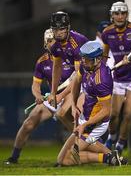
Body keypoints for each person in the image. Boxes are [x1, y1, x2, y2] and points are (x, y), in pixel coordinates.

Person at [4, 28, 80, 165]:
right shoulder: (42, 62)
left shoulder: (70, 55)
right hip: (54, 96)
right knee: (29, 123)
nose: (53, 44)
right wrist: (38, 96)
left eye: (55, 40)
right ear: (45, 43)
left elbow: (76, 79)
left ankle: (84, 149)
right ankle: (14, 157)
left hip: (72, 92)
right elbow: (35, 85)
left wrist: (61, 96)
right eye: (50, 41)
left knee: (67, 116)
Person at [54, 41, 127, 167]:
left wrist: (85, 125)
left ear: (98, 60)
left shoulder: (102, 80)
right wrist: (73, 104)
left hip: (95, 123)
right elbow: (76, 81)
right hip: (85, 117)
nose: (83, 61)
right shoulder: (86, 66)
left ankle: (107, 159)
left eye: (87, 59)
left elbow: (106, 111)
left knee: (66, 159)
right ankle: (112, 156)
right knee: (60, 158)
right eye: (83, 58)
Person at [101, 1, 131, 154]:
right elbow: (104, 55)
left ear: (127, 15)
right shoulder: (107, 33)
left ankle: (121, 144)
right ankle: (112, 136)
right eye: (117, 13)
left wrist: (130, 60)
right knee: (114, 114)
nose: (120, 16)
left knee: (128, 114)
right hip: (118, 78)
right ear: (112, 16)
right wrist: (102, 71)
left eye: (123, 13)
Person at [47, 11, 88, 108]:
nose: (58, 33)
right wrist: (53, 92)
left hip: (90, 76)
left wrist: (61, 95)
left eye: (61, 29)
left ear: (68, 28)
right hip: (79, 75)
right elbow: (57, 68)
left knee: (77, 111)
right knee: (61, 115)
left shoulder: (76, 43)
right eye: (55, 30)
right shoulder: (55, 47)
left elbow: (79, 75)